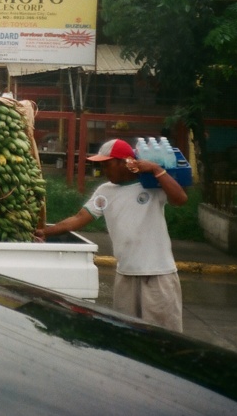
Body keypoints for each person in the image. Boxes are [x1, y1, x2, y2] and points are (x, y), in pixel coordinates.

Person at [37, 138, 188, 332]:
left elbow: (180, 199)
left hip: (158, 275)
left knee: (163, 338)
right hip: (125, 276)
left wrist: (156, 170)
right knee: (126, 335)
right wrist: (45, 232)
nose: (104, 171)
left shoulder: (151, 185)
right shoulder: (105, 192)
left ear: (125, 161)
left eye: (107, 164)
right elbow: (78, 219)